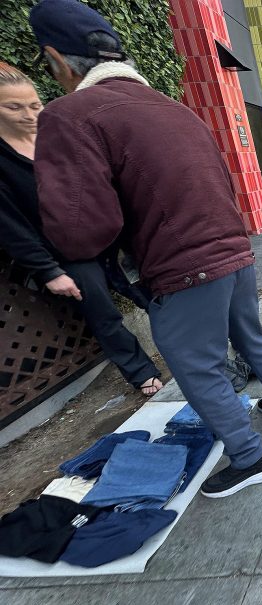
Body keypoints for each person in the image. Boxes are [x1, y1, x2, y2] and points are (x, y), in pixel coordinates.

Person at [29, 0, 262, 499]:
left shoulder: (68, 115)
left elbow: (82, 230)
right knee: (248, 336)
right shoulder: (176, 110)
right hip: (234, 252)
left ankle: (251, 457)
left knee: (195, 366)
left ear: (56, 59)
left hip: (181, 266)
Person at [0, 60, 163, 397]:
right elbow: (10, 226)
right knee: (103, 314)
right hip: (65, 254)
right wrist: (48, 270)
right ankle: (140, 371)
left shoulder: (57, 136)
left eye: (34, 105)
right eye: (13, 107)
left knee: (155, 294)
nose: (29, 114)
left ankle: (192, 347)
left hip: (111, 237)